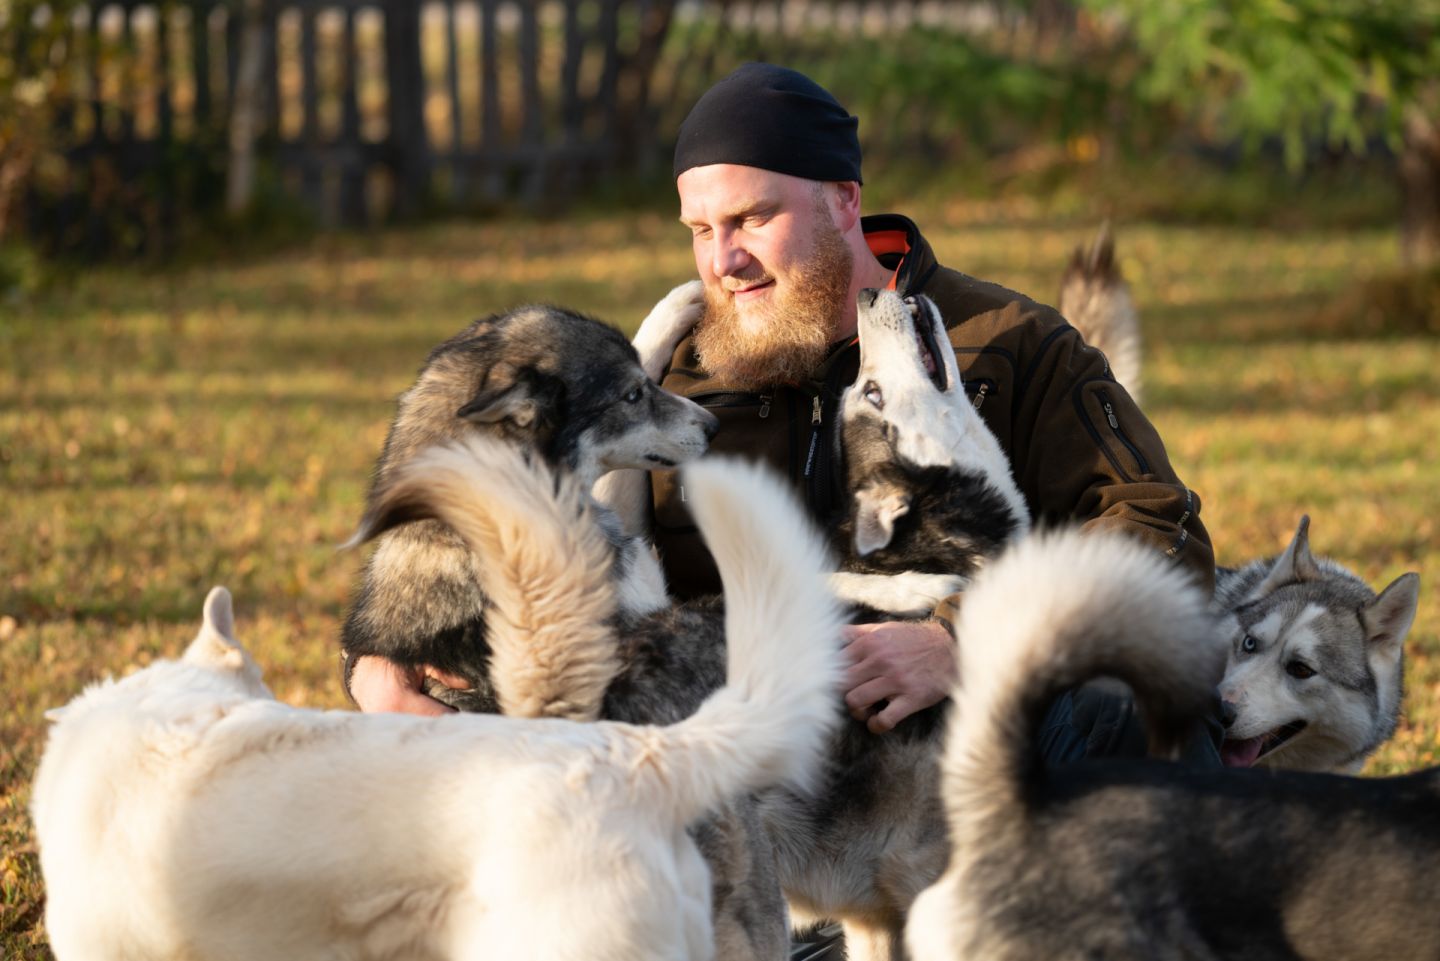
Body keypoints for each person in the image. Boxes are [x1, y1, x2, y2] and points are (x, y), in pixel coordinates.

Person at [348, 62, 1221, 769]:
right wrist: (374, 667)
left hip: (962, 753)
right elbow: (460, 542)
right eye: (700, 228)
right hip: (740, 771)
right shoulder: (661, 381)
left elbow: (1161, 540)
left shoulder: (1006, 344)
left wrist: (967, 643)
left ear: (844, 202)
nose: (724, 259)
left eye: (753, 217)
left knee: (1119, 711)